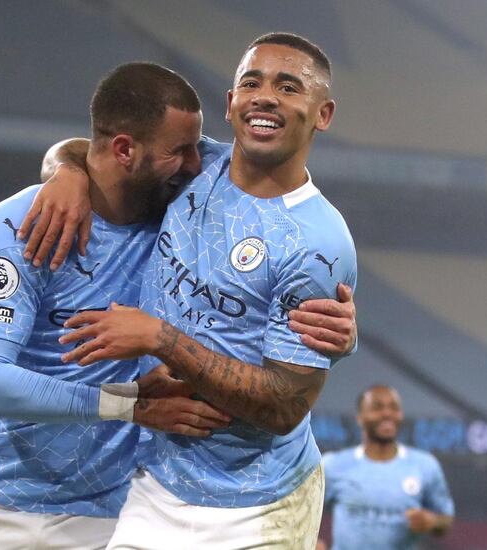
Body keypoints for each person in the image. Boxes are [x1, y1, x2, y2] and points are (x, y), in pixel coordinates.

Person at [45, 32, 357, 549]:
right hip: (155, 479)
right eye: (251, 82)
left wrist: (160, 339)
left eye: (288, 86)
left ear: (322, 114)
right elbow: (96, 149)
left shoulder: (318, 244)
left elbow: (283, 408)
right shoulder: (194, 165)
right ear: (231, 103)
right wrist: (66, 172)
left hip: (257, 501)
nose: (265, 96)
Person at [0, 63, 234, 550]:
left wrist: (66, 163)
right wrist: (130, 403)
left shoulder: (178, 221)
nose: (195, 164)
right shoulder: (25, 222)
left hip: (104, 517)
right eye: (180, 152)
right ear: (124, 149)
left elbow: (273, 185)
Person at [317, 385, 454, 550]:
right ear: (360, 417)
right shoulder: (334, 465)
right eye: (377, 407)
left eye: (394, 408)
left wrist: (433, 522)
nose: (387, 414)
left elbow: (446, 520)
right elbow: (302, 509)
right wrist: (311, 541)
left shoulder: (425, 465)